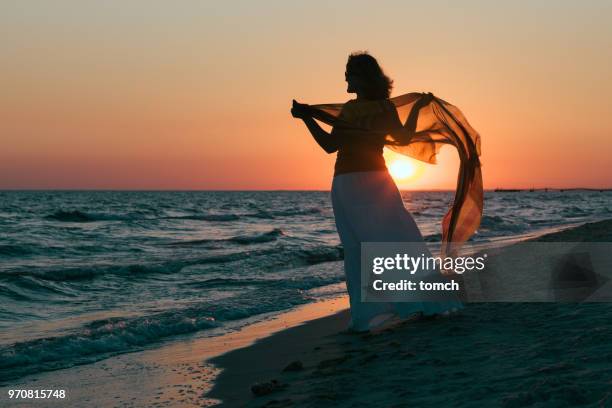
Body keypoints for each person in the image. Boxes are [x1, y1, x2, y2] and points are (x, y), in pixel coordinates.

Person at [291, 52, 462, 332]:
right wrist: (417, 109)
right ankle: (422, 302)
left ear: (363, 78)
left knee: (358, 248)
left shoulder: (350, 110)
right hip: (378, 181)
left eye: (350, 72)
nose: (345, 77)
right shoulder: (384, 108)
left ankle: (371, 315)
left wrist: (305, 119)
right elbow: (404, 138)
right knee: (398, 238)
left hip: (349, 182)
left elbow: (328, 146)